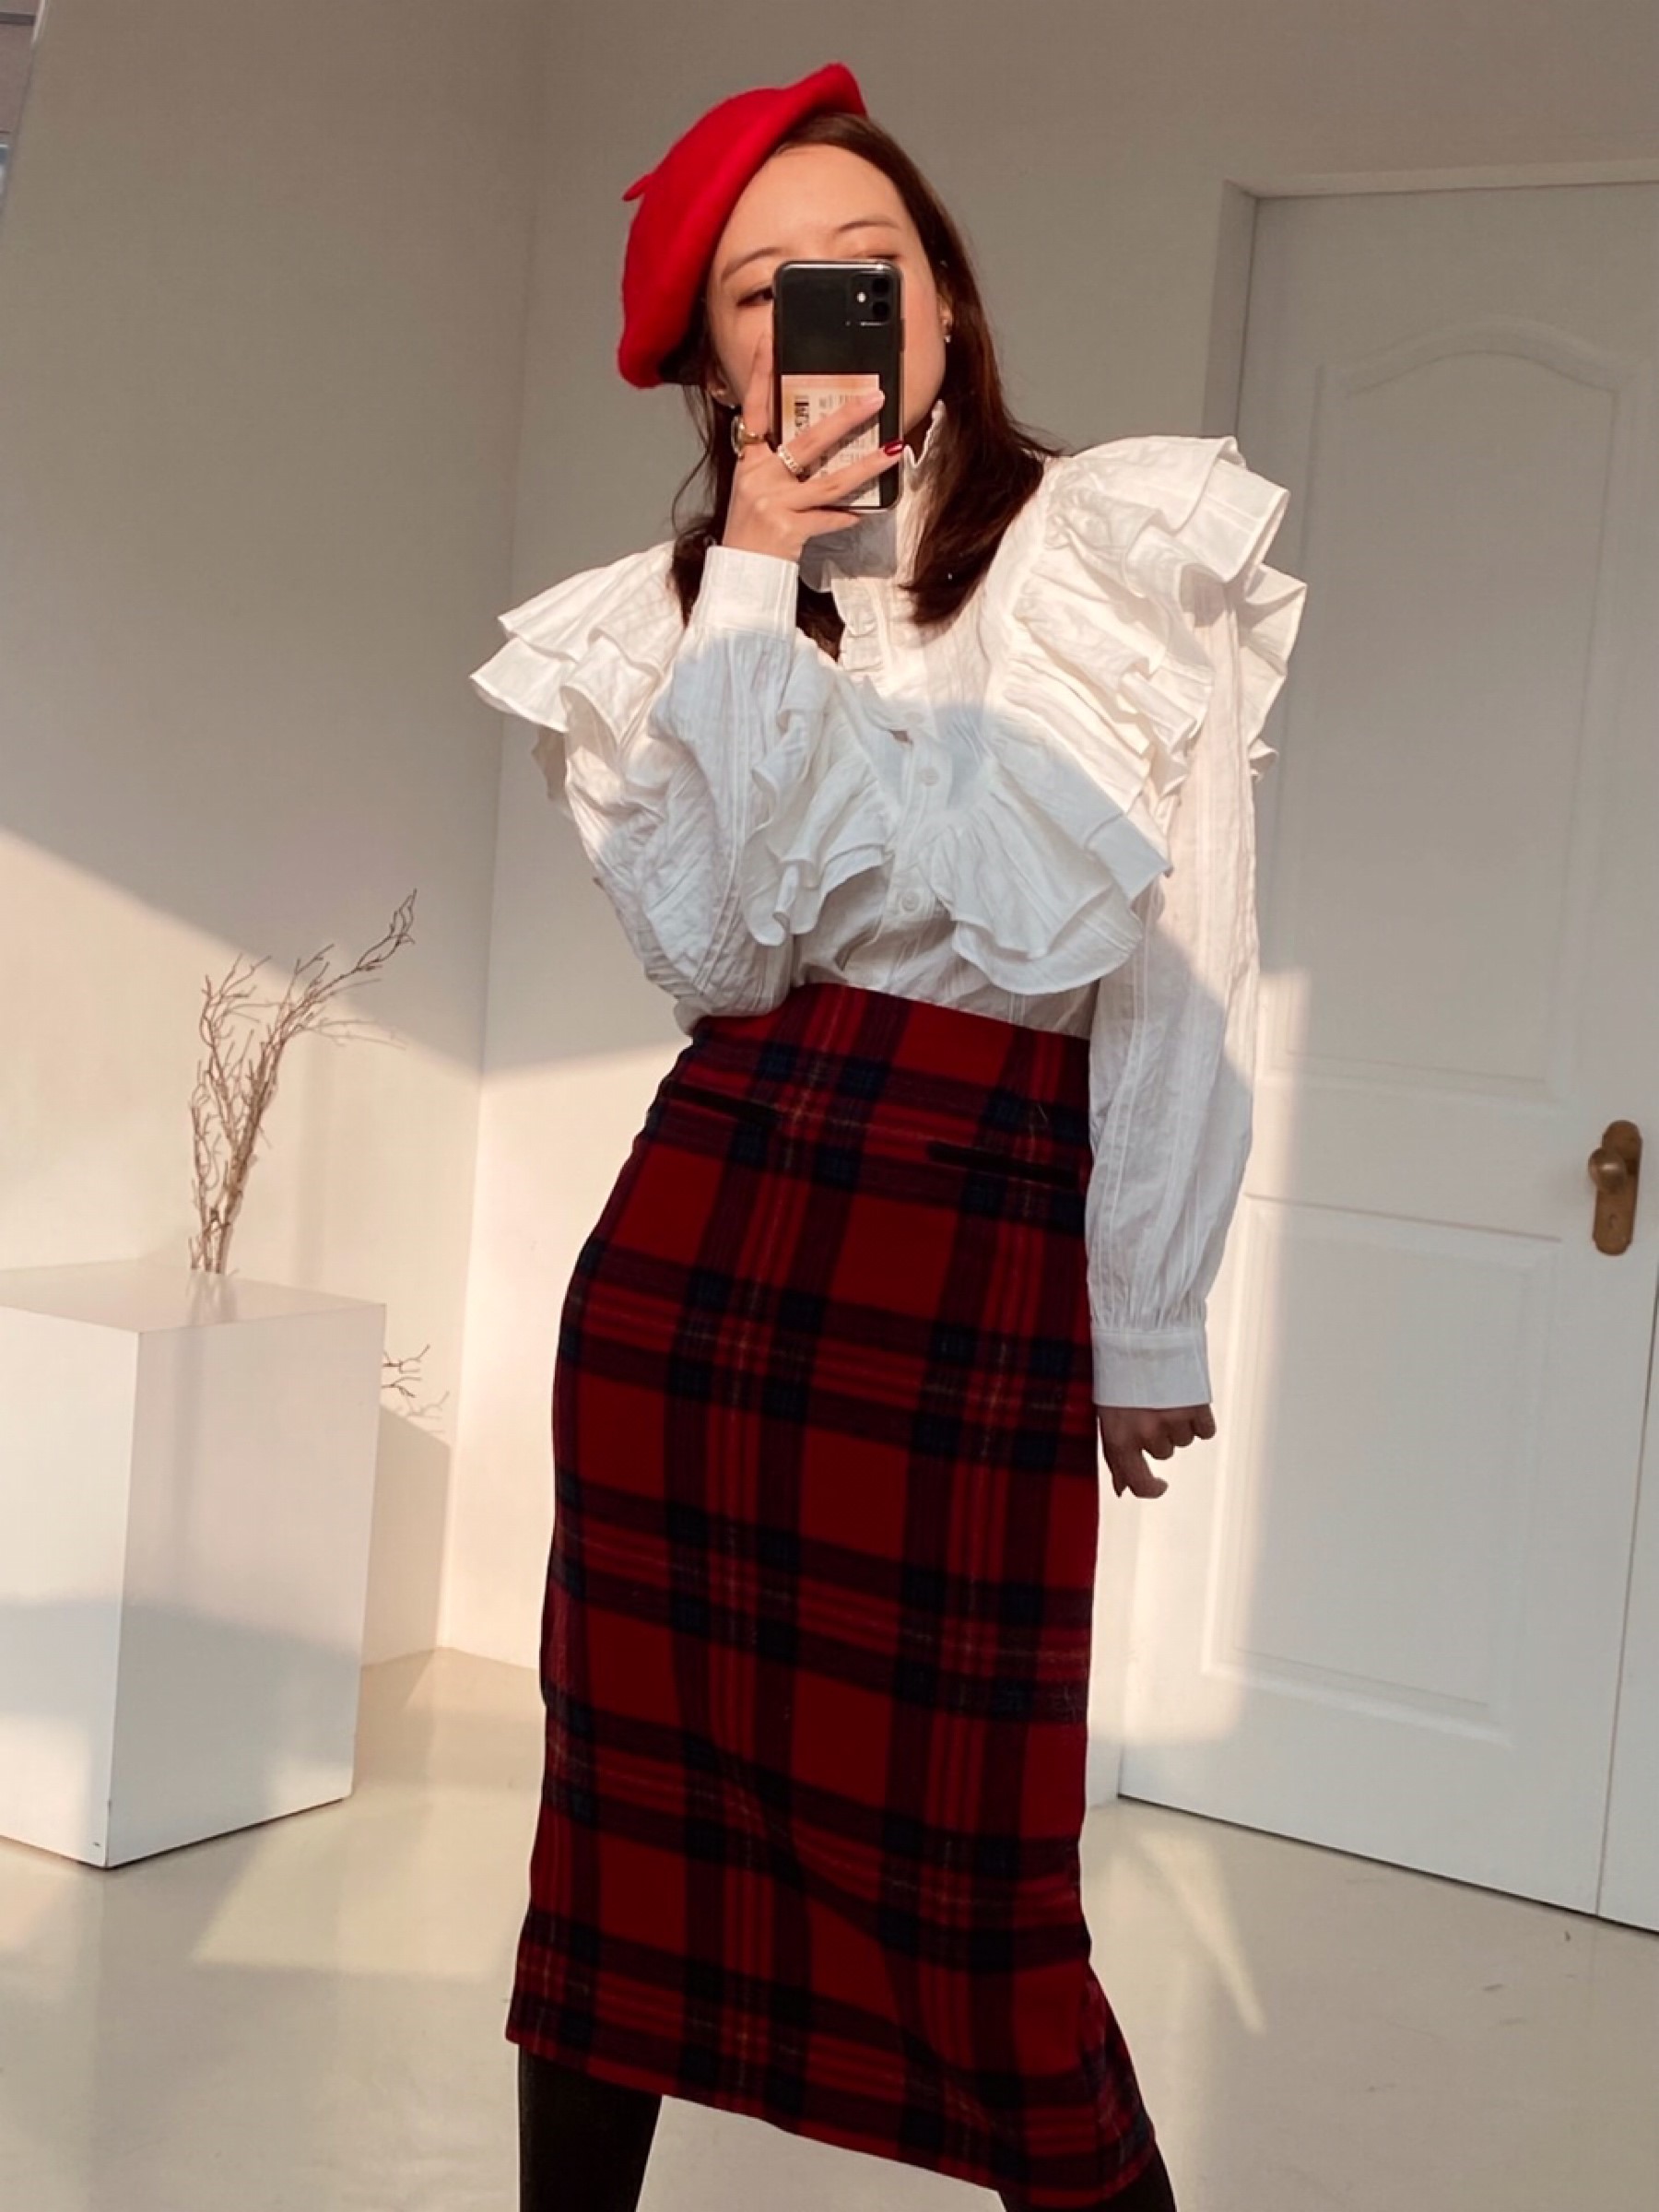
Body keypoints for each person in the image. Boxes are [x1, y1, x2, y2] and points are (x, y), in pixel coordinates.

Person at [471, 61, 1307, 2212]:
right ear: (714, 367)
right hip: (708, 1253)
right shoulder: (663, 624)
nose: (828, 313)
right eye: (766, 292)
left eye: (869, 263)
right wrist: (760, 584)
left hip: (978, 1245)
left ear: (944, 297)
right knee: (622, 1854)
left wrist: (1146, 1308)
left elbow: (1182, 955)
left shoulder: (1110, 556)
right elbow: (717, 956)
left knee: (983, 1900)